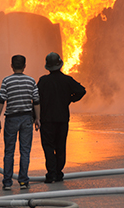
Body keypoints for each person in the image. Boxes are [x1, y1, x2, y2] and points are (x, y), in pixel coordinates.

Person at [37, 52, 86, 183]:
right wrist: (69, 99)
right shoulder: (67, 80)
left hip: (46, 120)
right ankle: (58, 173)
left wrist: (34, 117)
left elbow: (36, 100)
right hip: (62, 119)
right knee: (60, 146)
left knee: (48, 147)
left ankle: (51, 173)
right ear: (60, 65)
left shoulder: (43, 81)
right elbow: (81, 91)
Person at [0, 55, 40, 190]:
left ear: (11, 66)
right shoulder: (31, 81)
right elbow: (36, 101)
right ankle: (23, 181)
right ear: (25, 66)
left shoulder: (6, 81)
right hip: (26, 118)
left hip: (11, 118)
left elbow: (1, 100)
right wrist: (37, 118)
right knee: (25, 151)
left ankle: (7, 182)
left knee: (9, 151)